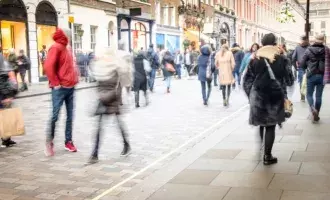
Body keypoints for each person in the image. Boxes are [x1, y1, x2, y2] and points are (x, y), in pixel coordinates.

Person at [243, 33, 290, 165]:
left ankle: (263, 149)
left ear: (262, 44)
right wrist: (285, 57)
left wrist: (251, 95)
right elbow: (290, 80)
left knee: (262, 123)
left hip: (259, 97)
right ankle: (267, 156)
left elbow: (246, 81)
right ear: (275, 44)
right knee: (271, 126)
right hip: (275, 97)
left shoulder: (254, 59)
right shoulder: (281, 59)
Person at [89, 47, 132, 163]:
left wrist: (110, 98)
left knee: (118, 124)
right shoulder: (100, 68)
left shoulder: (117, 67)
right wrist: (100, 96)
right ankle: (94, 153)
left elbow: (119, 87)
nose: (105, 57)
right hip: (103, 99)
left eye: (108, 55)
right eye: (105, 55)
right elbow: (98, 85)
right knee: (99, 127)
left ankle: (126, 144)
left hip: (113, 99)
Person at [44, 28, 79, 156]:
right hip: (59, 89)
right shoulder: (56, 47)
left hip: (71, 88)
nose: (70, 36)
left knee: (70, 116)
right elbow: (48, 66)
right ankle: (49, 141)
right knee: (55, 115)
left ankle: (68, 141)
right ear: (65, 35)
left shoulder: (68, 48)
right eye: (69, 34)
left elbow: (71, 66)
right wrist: (56, 83)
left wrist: (75, 77)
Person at [300, 34, 328, 122]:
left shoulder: (309, 50)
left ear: (315, 40)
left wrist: (306, 68)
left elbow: (302, 63)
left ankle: (312, 109)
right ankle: (317, 113)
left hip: (311, 75)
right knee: (319, 96)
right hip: (322, 75)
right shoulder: (326, 50)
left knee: (309, 94)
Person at [0, 54, 18, 147]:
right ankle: (6, 139)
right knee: (5, 116)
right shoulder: (1, 58)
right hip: (2, 93)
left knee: (5, 115)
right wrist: (7, 95)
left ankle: (6, 139)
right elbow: (2, 78)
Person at [292, 36, 309, 101]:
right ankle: (308, 95)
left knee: (302, 81)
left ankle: (302, 96)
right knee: (309, 81)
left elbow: (293, 58)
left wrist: (296, 67)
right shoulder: (310, 47)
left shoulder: (297, 47)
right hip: (309, 67)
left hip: (301, 67)